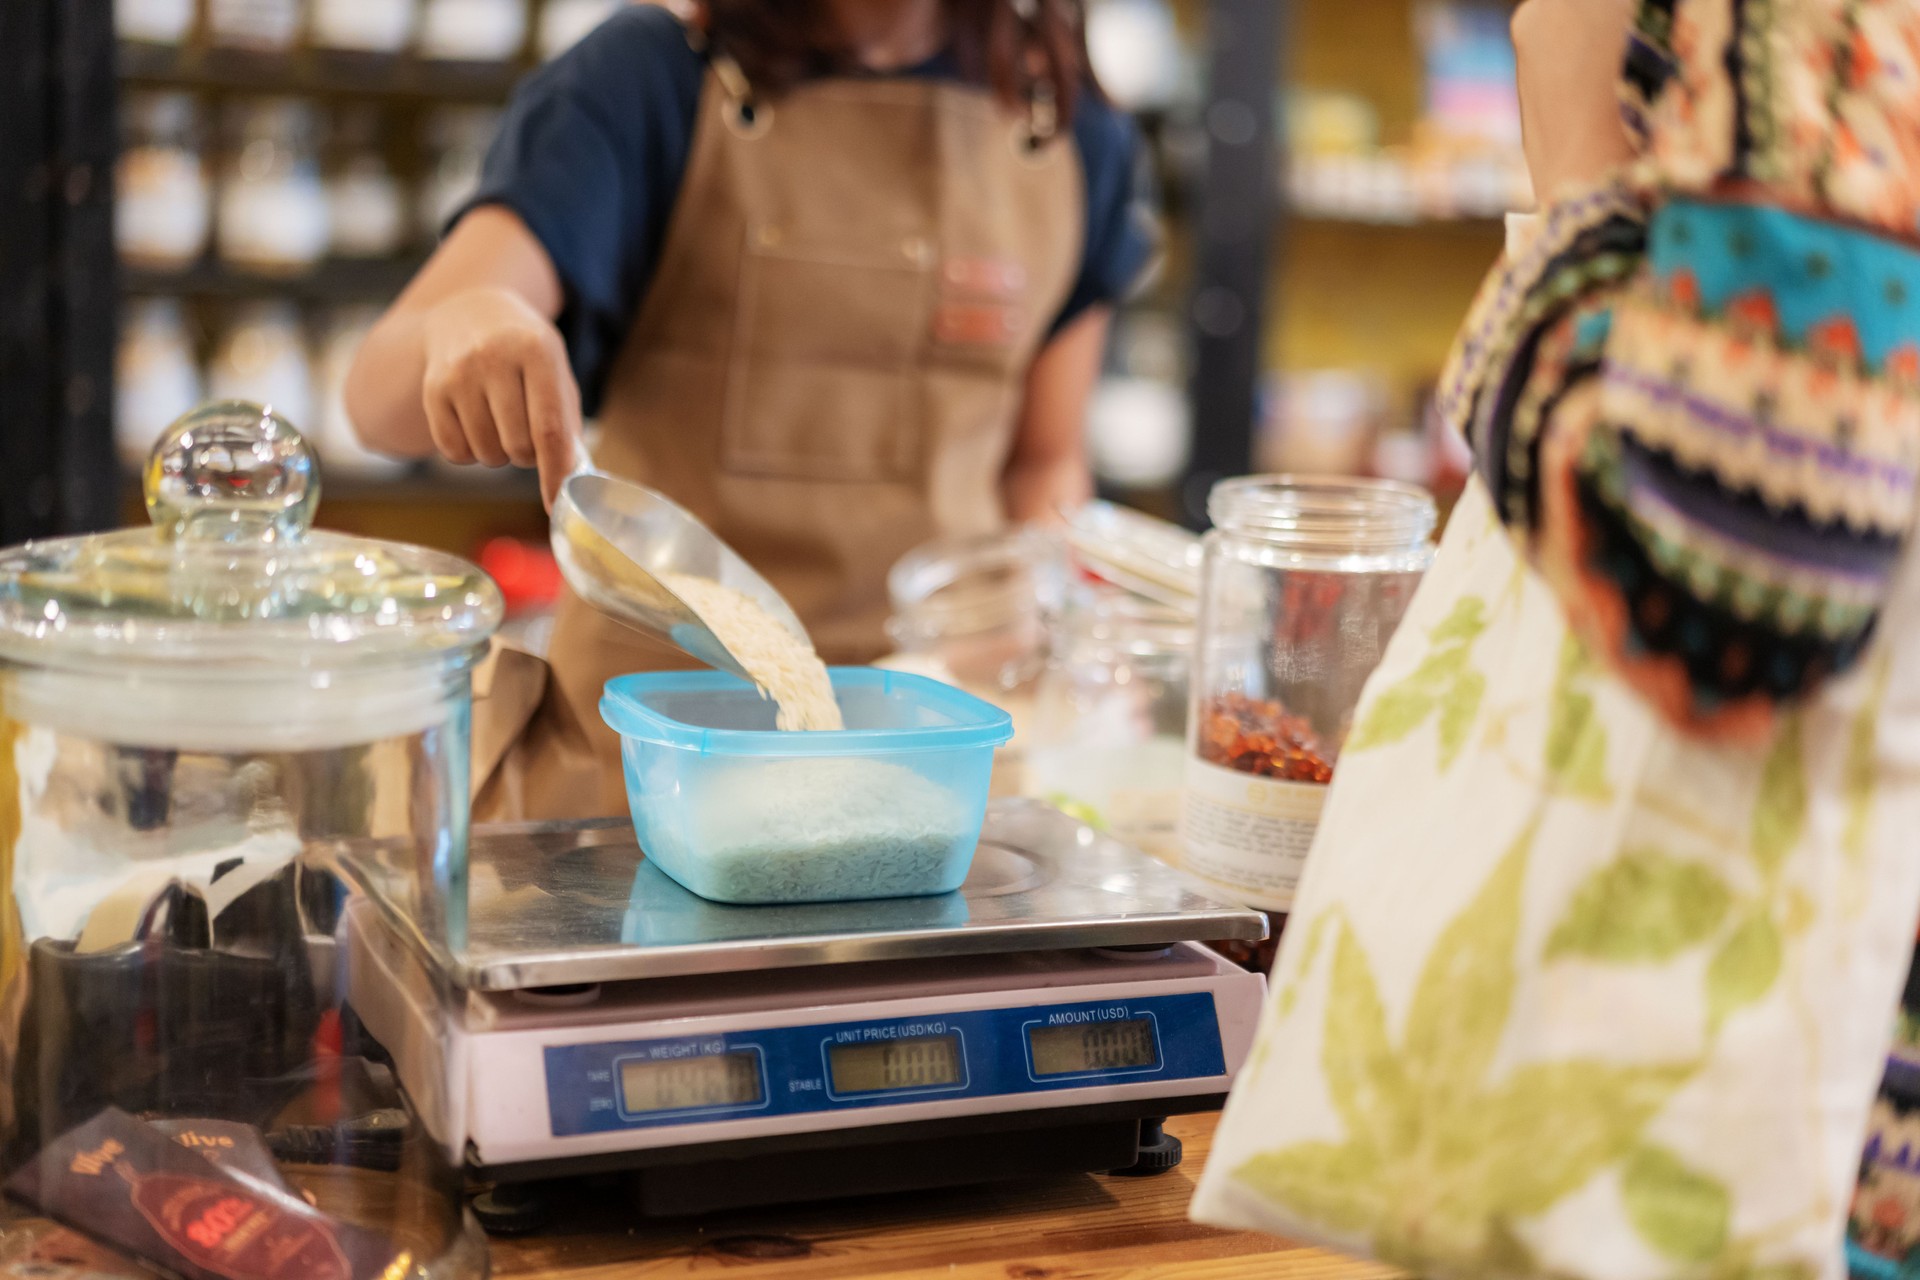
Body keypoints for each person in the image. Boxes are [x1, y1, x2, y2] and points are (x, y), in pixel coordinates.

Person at [345, 0, 1154, 820]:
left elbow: (1043, 458)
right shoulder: (651, 80)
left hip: (919, 778)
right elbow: (377, 402)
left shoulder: (1066, 127)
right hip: (643, 783)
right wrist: (469, 320)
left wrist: (1043, 622)